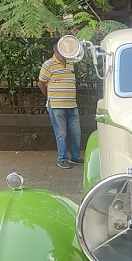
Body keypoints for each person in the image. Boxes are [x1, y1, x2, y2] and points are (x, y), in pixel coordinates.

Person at [38, 40, 83, 169]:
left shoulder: (70, 63)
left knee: (76, 132)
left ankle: (75, 156)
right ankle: (62, 159)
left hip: (72, 105)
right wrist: (50, 96)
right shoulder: (48, 65)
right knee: (61, 133)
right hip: (56, 105)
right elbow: (41, 83)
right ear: (55, 49)